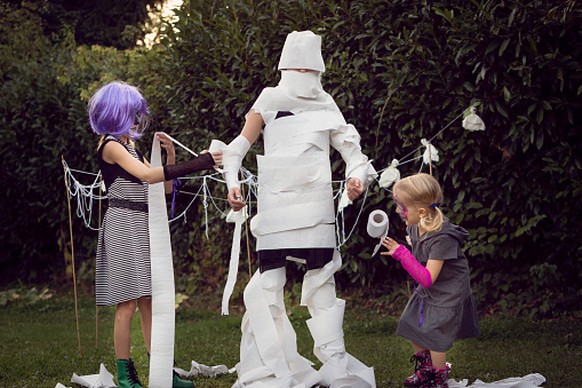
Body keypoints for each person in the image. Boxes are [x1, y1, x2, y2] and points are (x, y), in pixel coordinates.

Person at [221, 31, 377, 387]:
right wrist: (233, 184)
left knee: (322, 282)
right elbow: (236, 149)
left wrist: (356, 180)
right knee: (270, 284)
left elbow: (355, 155)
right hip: (276, 212)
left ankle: (335, 363)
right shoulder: (269, 99)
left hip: (316, 213)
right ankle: (271, 365)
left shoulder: (326, 103)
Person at [89, 81, 222, 388]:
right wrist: (200, 162)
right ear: (118, 112)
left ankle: (160, 372)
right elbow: (148, 175)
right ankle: (125, 376)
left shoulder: (130, 146)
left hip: (140, 223)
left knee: (148, 300)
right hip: (123, 223)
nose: (136, 119)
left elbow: (160, 187)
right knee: (128, 303)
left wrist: (172, 158)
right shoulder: (110, 145)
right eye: (132, 112)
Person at [380, 173, 479, 388]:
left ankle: (438, 378)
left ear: (422, 211)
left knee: (435, 335)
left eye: (401, 206)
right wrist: (405, 252)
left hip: (447, 293)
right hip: (430, 290)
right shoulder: (415, 227)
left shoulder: (442, 238)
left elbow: (426, 278)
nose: (398, 211)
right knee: (411, 324)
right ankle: (425, 370)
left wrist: (403, 255)